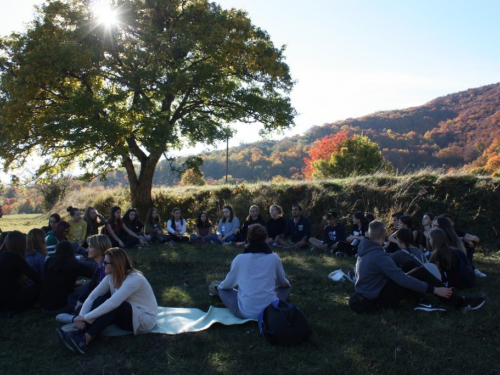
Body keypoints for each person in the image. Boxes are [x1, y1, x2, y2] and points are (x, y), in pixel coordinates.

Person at [348, 220, 485, 314]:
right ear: (384, 236)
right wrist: (434, 289)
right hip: (377, 300)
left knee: (410, 265)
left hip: (370, 291)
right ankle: (460, 303)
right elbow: (402, 279)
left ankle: (421, 301)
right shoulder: (378, 256)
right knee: (419, 272)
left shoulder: (364, 250)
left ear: (369, 235)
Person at [56, 248, 158, 354]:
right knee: (100, 300)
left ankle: (84, 340)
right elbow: (92, 297)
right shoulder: (111, 276)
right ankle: (79, 331)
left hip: (144, 320)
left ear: (116, 264)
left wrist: (86, 317)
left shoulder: (134, 279)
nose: (103, 265)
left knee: (112, 306)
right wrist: (82, 316)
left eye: (106, 262)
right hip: (130, 315)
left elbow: (113, 303)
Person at [217, 224, 291, 319]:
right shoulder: (274, 258)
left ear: (249, 239)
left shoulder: (239, 259)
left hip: (245, 313)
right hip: (271, 311)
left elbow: (227, 284)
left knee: (223, 291)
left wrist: (219, 286)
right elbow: (283, 284)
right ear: (266, 239)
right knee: (285, 288)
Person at [56, 235, 113, 324]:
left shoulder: (106, 267)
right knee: (72, 297)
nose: (87, 250)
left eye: (90, 247)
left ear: (99, 248)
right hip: (96, 297)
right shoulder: (97, 265)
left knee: (87, 304)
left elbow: (104, 293)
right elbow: (91, 286)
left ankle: (78, 318)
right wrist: (81, 300)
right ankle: (81, 316)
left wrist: (85, 303)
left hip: (104, 300)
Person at [40, 241, 93, 314]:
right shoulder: (73, 264)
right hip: (62, 306)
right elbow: (93, 274)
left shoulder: (49, 262)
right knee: (91, 282)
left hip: (44, 306)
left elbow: (54, 281)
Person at [0, 231, 42, 318]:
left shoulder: (3, 255)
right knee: (42, 284)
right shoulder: (15, 257)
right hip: (11, 302)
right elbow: (36, 278)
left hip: (3, 302)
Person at [440, 213, 485, 278]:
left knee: (470, 243)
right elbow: (450, 239)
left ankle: (469, 266)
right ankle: (470, 268)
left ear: (452, 223)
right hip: (447, 251)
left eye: (449, 222)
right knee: (465, 244)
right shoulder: (441, 232)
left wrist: (470, 239)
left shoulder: (456, 232)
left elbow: (476, 239)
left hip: (458, 250)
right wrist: (464, 239)